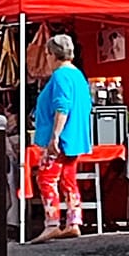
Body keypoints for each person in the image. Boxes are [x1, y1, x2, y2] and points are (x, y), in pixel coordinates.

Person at [32, 33, 94, 243]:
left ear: (52, 54)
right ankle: (73, 221)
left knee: (46, 178)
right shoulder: (78, 75)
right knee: (68, 179)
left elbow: (62, 106)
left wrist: (54, 137)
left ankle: (52, 223)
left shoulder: (60, 76)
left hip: (61, 137)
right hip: (76, 137)